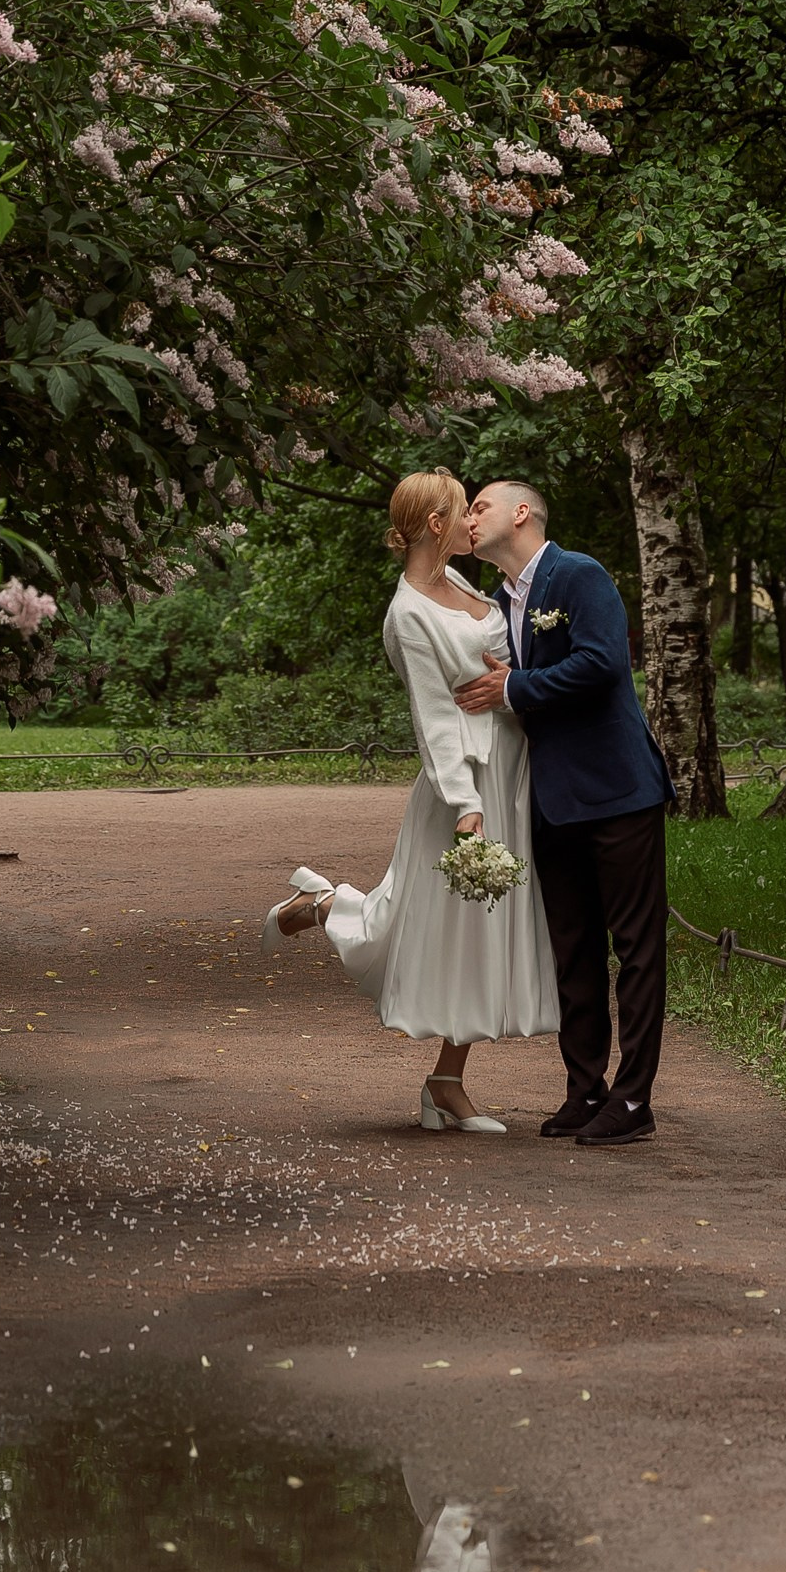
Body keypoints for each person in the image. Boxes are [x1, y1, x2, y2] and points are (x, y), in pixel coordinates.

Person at [259, 467, 557, 1131]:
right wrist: (466, 806)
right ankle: (328, 906)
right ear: (435, 525)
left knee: (478, 932)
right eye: (463, 513)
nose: (473, 524)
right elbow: (432, 716)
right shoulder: (407, 614)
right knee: (429, 924)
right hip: (462, 787)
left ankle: (445, 1081)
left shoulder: (455, 582)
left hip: (509, 768)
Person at [456, 480, 674, 1146]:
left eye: (479, 506)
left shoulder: (579, 575)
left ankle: (634, 1102)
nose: (468, 518)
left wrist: (515, 687)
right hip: (551, 800)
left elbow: (604, 663)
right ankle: (586, 1089)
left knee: (636, 949)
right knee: (572, 953)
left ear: (521, 513)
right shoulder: (498, 603)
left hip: (617, 791)